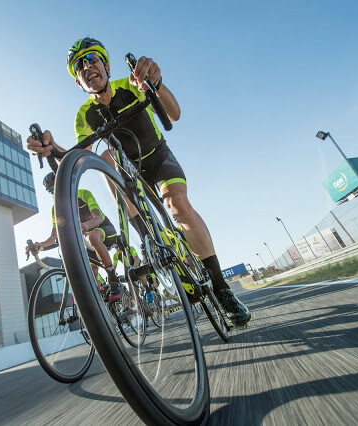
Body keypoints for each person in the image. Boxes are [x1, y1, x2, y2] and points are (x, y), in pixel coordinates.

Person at [26, 37, 250, 327]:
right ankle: (147, 236)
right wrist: (53, 149)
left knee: (177, 204)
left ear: (106, 65)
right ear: (79, 82)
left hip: (159, 158)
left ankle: (221, 289)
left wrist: (156, 85)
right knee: (106, 158)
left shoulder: (130, 84)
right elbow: (77, 160)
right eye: (79, 66)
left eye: (92, 58)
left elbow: (174, 114)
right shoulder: (84, 116)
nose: (87, 66)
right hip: (132, 174)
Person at [27, 171, 122, 302]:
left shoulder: (83, 194)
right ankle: (100, 305)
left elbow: (98, 217)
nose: (53, 193)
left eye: (55, 188)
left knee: (93, 237)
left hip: (105, 231)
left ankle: (113, 278)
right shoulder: (56, 210)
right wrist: (39, 246)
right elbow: (55, 237)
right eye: (50, 191)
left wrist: (86, 226)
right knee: (92, 270)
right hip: (89, 241)